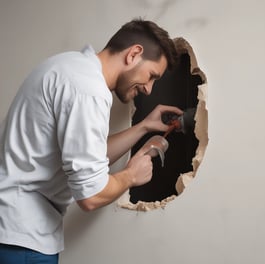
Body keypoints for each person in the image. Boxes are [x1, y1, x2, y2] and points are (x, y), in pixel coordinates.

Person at [0, 18, 182, 263]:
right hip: (21, 237)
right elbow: (91, 195)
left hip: (12, 229)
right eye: (151, 75)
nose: (149, 88)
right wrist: (131, 175)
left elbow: (84, 155)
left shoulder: (70, 67)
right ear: (134, 54)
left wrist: (144, 127)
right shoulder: (88, 90)